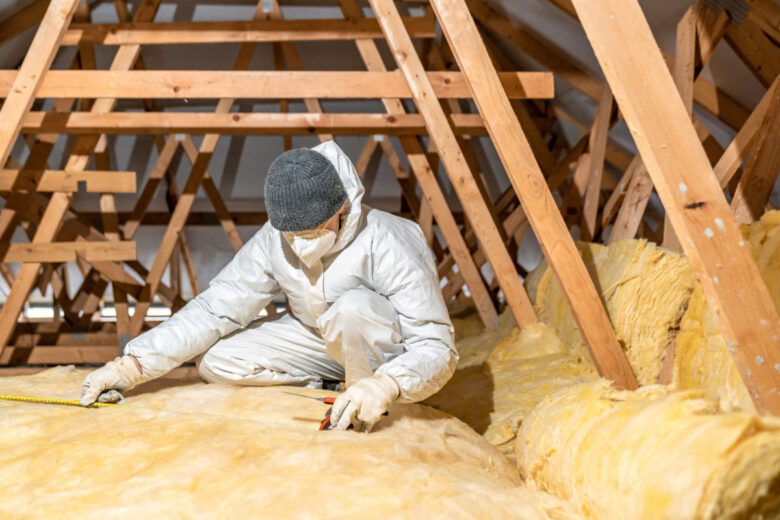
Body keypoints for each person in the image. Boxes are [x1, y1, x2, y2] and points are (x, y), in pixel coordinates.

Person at [80, 141, 457, 432]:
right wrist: (131, 365)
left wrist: (388, 384)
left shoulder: (389, 240)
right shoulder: (273, 240)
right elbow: (217, 307)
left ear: (341, 208)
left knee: (353, 308)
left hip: (382, 348)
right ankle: (331, 383)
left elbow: (435, 346)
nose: (301, 242)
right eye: (292, 234)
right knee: (217, 360)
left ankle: (366, 403)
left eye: (313, 231)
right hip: (317, 338)